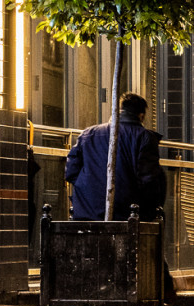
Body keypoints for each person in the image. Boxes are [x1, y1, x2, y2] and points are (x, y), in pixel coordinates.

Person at [64, 92, 167, 220]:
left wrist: (88, 193)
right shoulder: (144, 137)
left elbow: (70, 172)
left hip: (87, 211)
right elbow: (149, 180)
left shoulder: (88, 134)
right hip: (127, 213)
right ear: (141, 116)